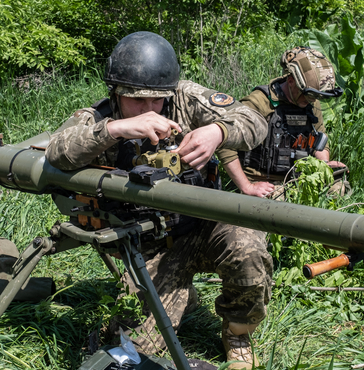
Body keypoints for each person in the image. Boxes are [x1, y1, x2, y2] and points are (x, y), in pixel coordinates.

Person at [45, 31, 270, 369]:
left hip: (205, 226)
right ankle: (182, 294)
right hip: (150, 247)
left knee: (249, 249)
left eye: (157, 100)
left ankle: (238, 331)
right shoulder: (99, 116)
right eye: (137, 101)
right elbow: (58, 150)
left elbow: (254, 121)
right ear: (116, 93)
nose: (150, 110)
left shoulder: (186, 97)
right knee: (132, 347)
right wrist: (118, 128)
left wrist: (218, 132)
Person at [216, 47, 348, 199]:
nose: (312, 100)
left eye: (317, 96)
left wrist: (324, 165)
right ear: (291, 81)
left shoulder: (310, 103)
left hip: (296, 179)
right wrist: (247, 186)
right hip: (260, 182)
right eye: (309, 94)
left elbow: (319, 138)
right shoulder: (259, 103)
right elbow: (223, 143)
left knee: (338, 186)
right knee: (278, 198)